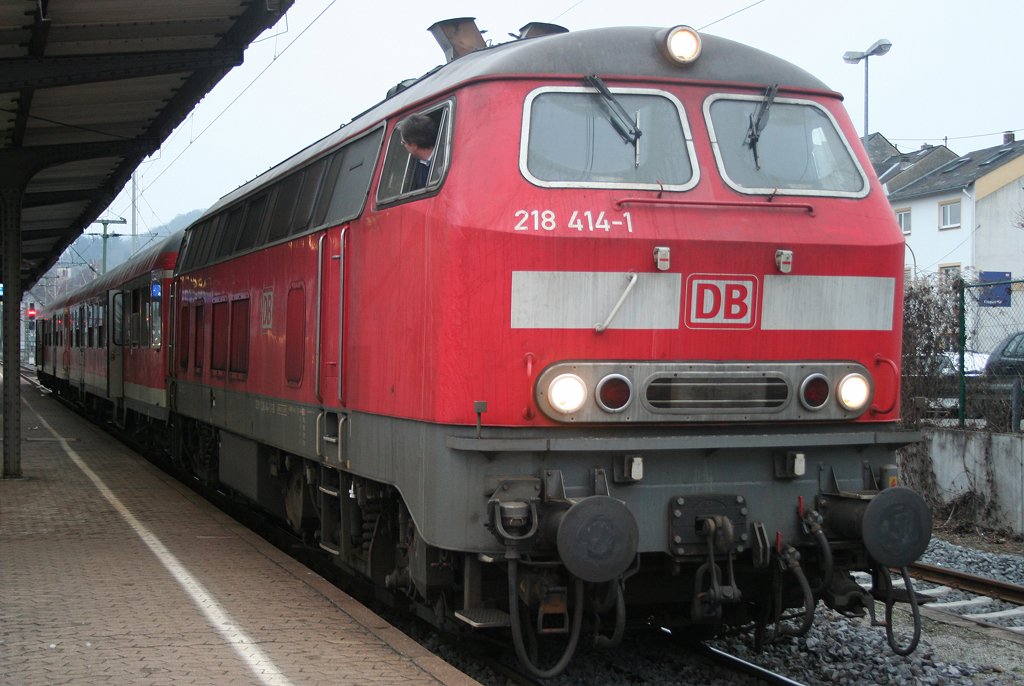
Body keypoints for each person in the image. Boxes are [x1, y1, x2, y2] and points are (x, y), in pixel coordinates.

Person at [397, 113, 437, 190]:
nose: (401, 144)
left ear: (414, 144)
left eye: (404, 142)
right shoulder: (417, 165)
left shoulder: (446, 159)